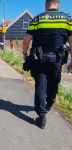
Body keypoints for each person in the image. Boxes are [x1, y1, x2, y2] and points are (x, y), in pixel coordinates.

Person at [23, 0, 72, 129]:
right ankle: (50, 102)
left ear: (46, 5)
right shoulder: (67, 19)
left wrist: (24, 53)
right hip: (57, 59)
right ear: (58, 5)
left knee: (40, 85)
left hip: (39, 58)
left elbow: (26, 40)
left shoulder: (38, 19)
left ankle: (42, 117)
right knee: (54, 83)